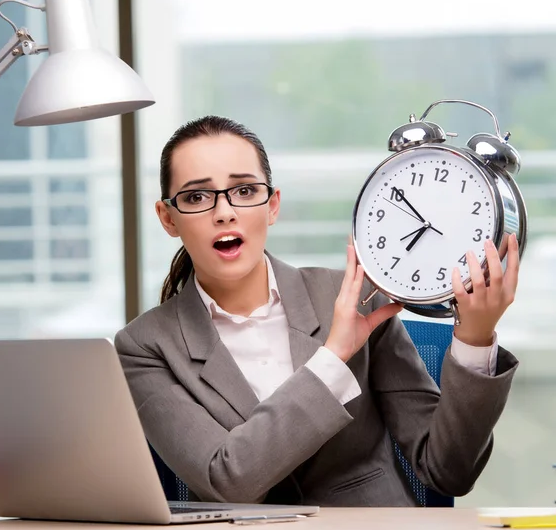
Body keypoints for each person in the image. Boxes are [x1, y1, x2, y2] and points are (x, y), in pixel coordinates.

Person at [115, 115, 519, 507]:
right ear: (168, 217)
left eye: (244, 191)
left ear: (273, 206)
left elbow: (448, 472)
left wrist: (474, 340)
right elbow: (227, 482)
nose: (224, 212)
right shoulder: (144, 346)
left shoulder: (356, 297)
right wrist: (332, 356)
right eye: (197, 197)